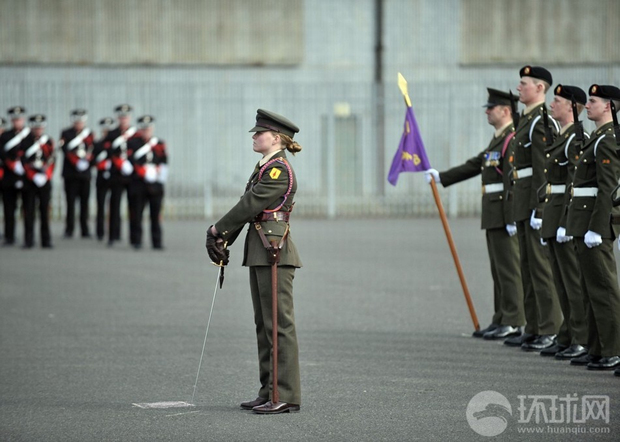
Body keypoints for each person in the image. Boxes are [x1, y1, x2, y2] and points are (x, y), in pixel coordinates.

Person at [206, 109, 302, 414]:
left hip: (274, 250)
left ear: (276, 138)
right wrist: (225, 239)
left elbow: (250, 204)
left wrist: (217, 230)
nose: (255, 136)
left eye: (260, 133)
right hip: (263, 248)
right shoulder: (265, 167)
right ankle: (269, 390)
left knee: (279, 325)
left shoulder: (278, 170)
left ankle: (284, 394)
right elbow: (250, 209)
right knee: (264, 324)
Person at [425, 89, 524, 340]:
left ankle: (513, 320)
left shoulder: (512, 139)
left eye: (491, 107)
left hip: (504, 213)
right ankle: (501, 317)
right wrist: (442, 177)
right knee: (498, 269)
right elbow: (476, 164)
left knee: (509, 269)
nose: (487, 111)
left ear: (506, 111)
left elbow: (512, 182)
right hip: (493, 212)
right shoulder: (498, 139)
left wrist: (512, 216)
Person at [504, 66, 563, 352]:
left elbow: (543, 169)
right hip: (522, 200)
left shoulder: (541, 121)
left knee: (540, 269)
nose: (519, 88)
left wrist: (540, 208)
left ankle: (549, 328)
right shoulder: (526, 119)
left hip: (533, 202)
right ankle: (534, 326)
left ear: (540, 88)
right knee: (526, 267)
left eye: (524, 83)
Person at [566, 84, 620, 371]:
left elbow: (608, 188)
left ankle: (613, 349)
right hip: (583, 221)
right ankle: (597, 348)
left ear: (609, 106)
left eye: (593, 101)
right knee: (589, 290)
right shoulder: (597, 138)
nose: (587, 105)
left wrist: (598, 228)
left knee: (604, 290)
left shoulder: (607, 140)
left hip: (594, 225)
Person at [538, 85, 589, 360]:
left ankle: (581, 338)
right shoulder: (562, 136)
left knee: (572, 282)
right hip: (553, 212)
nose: (551, 104)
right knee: (560, 281)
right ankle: (567, 334)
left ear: (571, 106)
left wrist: (566, 221)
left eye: (556, 100)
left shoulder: (576, 139)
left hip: (564, 216)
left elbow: (574, 182)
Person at [127, 115, 168, 250]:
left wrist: (157, 172)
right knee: (137, 214)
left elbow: (163, 161)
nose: (146, 131)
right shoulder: (132, 143)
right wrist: (144, 171)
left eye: (148, 128)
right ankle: (136, 240)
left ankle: (157, 242)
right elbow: (131, 161)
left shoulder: (159, 143)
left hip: (155, 185)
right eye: (144, 129)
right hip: (138, 184)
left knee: (155, 215)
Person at [59, 109, 95, 238]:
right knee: (70, 202)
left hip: (85, 175)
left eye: (81, 121)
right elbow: (64, 148)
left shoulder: (89, 134)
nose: (79, 123)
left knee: (84, 203)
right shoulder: (66, 133)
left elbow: (93, 150)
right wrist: (76, 161)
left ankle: (85, 229)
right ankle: (69, 229)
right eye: (77, 120)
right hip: (71, 174)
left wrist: (88, 160)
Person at [21, 114, 55, 249]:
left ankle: (46, 240)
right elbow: (23, 161)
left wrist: (46, 176)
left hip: (44, 180)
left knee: (45, 211)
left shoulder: (48, 141)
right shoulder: (25, 142)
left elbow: (52, 160)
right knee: (29, 211)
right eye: (36, 127)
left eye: (40, 127)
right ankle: (28, 240)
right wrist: (33, 176)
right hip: (30, 181)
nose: (38, 129)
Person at [104, 104, 136, 247]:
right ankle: (112, 236)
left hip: (132, 176)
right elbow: (108, 152)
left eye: (126, 117)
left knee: (133, 208)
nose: (124, 119)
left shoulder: (135, 134)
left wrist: (130, 164)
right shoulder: (112, 134)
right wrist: (120, 163)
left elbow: (137, 152)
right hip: (116, 175)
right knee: (114, 206)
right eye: (121, 117)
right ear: (118, 118)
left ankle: (134, 238)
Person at [0, 107, 29, 246]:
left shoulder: (29, 135)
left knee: (28, 210)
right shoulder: (5, 136)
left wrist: (24, 166)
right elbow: (2, 153)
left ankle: (28, 238)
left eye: (19, 119)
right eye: (15, 119)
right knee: (9, 209)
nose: (17, 122)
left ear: (23, 119)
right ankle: (9, 236)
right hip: (9, 178)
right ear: (11, 120)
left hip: (26, 177)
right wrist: (12, 165)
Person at [92, 117, 114, 241]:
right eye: (104, 129)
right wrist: (103, 164)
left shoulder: (116, 143)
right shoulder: (97, 144)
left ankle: (115, 232)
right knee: (100, 205)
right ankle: (100, 232)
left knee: (114, 206)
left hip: (114, 177)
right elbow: (93, 161)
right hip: (101, 177)